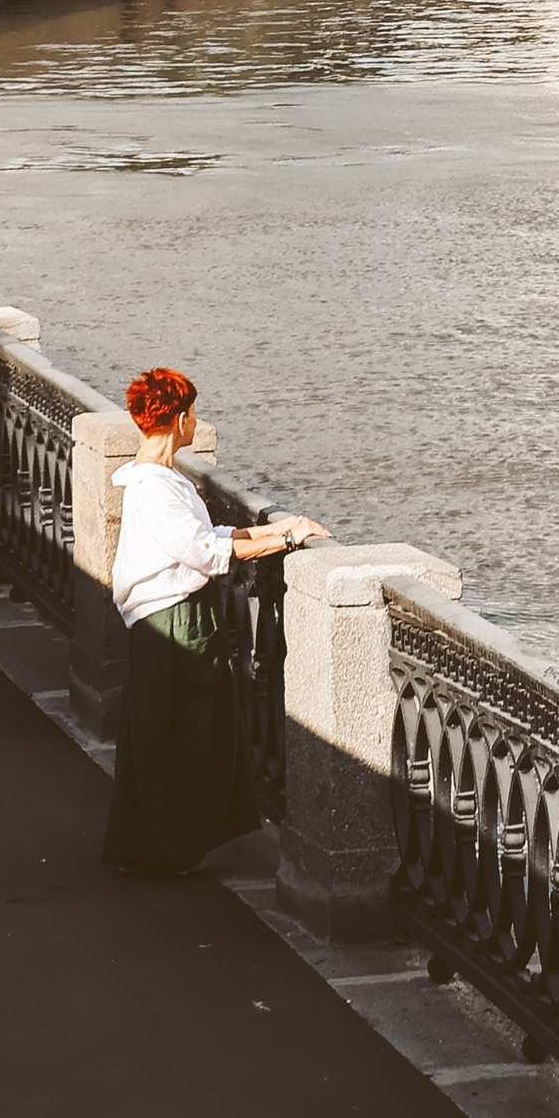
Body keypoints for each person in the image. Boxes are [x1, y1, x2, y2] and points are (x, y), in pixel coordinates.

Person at [104, 367, 330, 877]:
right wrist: (287, 541)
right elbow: (204, 552)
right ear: (181, 419)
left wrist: (275, 531)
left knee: (170, 731)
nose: (196, 421)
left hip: (169, 618)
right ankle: (166, 848)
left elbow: (208, 535)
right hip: (174, 621)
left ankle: (160, 843)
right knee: (184, 732)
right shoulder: (155, 488)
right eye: (194, 413)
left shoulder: (157, 479)